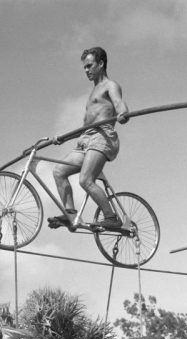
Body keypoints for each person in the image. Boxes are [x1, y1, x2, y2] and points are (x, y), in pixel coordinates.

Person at [49, 46, 129, 232]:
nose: (86, 70)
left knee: (85, 180)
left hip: (102, 138)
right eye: (84, 67)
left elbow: (119, 104)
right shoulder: (93, 92)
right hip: (86, 139)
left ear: (101, 64)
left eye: (90, 66)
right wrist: (63, 137)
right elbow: (87, 126)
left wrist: (123, 113)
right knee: (59, 171)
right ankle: (70, 215)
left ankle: (111, 217)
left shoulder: (110, 85)